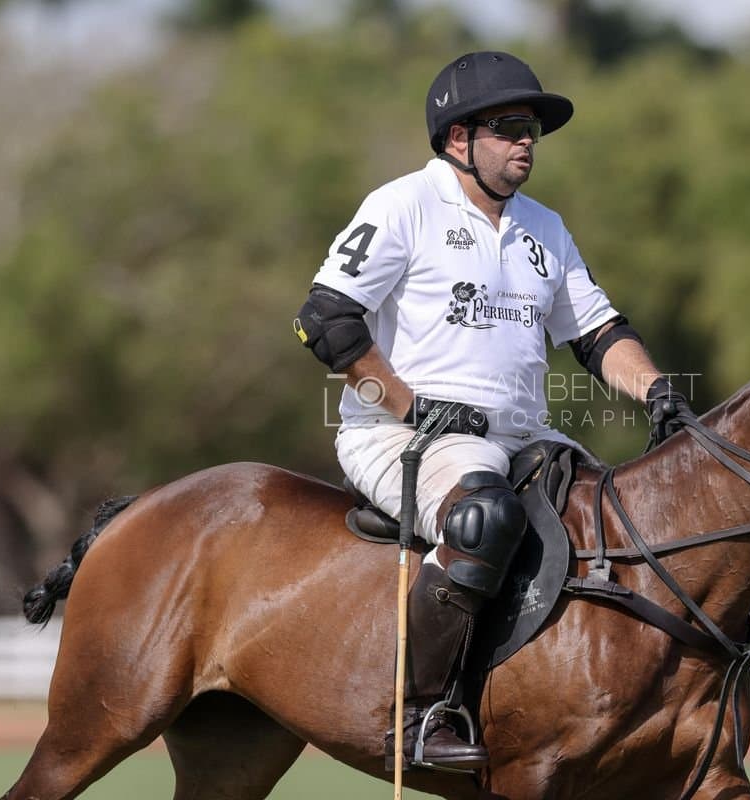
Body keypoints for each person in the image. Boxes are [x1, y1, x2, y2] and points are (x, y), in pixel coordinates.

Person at [294, 51, 691, 770]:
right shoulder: (403, 205)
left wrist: (658, 390)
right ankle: (421, 714)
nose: (526, 143)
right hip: (401, 434)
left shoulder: (546, 228)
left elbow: (598, 333)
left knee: (615, 515)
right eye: (509, 128)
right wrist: (413, 407)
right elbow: (324, 320)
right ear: (459, 138)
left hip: (522, 435)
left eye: (532, 130)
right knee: (484, 519)